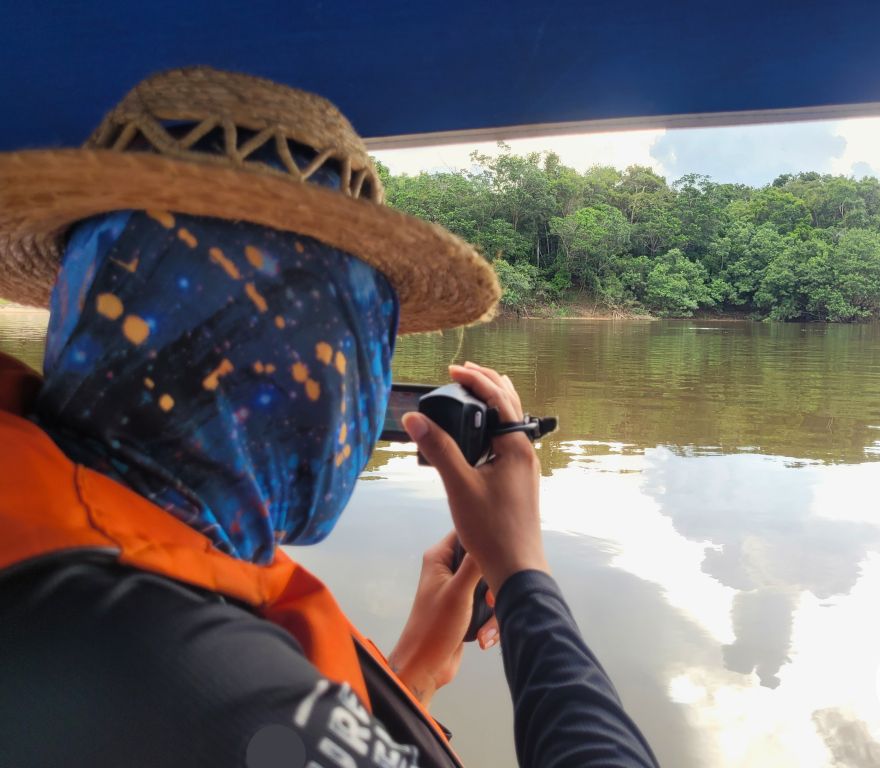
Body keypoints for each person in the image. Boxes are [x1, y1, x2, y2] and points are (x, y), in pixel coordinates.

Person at [0, 67, 659, 767]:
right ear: (307, 362)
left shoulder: (81, 555)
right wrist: (524, 574)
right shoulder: (172, 667)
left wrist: (415, 672)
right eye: (365, 343)